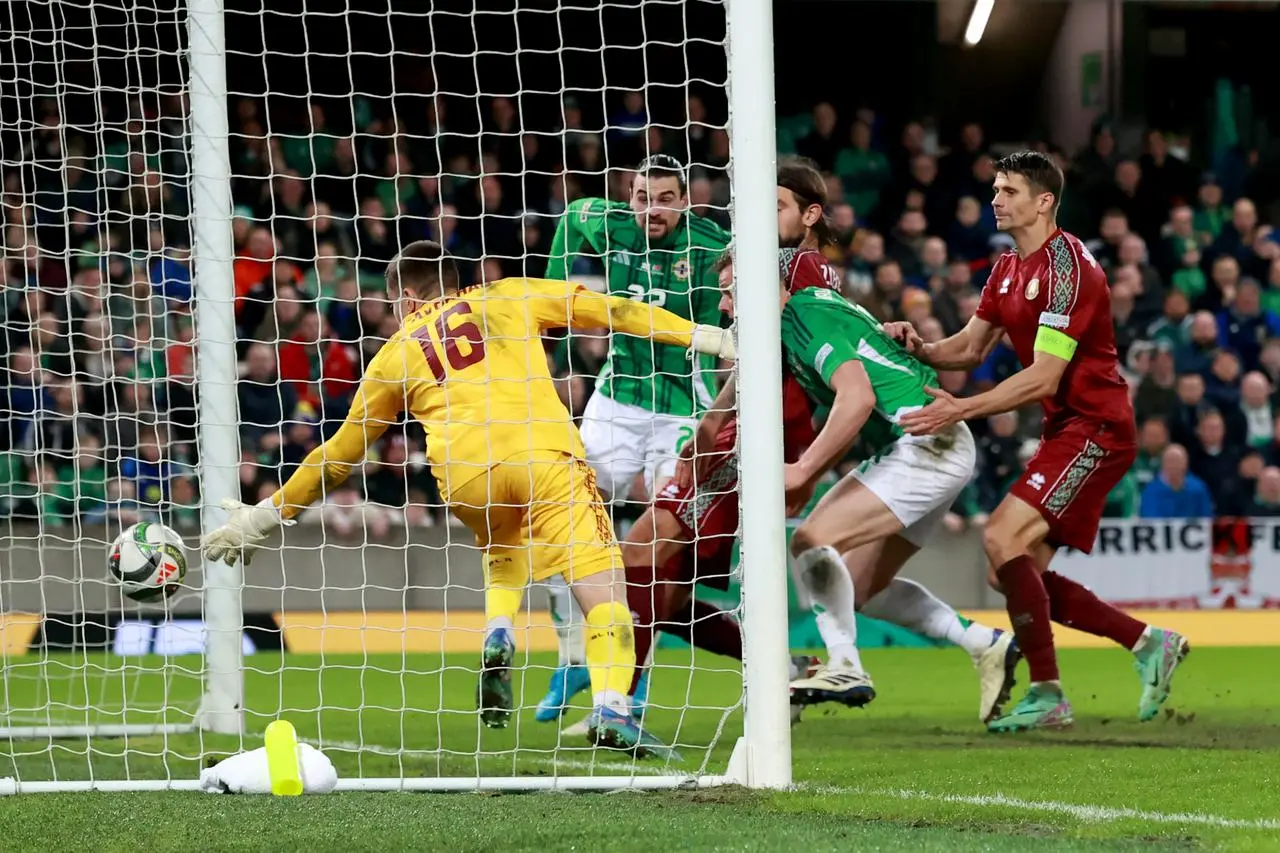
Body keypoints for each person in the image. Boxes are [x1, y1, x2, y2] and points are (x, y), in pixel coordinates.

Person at [201, 240, 735, 758]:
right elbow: (613, 311)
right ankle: (612, 706)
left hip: (464, 478)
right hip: (543, 455)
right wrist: (705, 337)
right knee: (606, 589)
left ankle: (499, 630)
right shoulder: (509, 294)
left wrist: (265, 516)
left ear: (406, 300)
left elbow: (338, 455)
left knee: (503, 543)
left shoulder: (394, 353)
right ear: (457, 284)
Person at [890, 151, 1189, 732]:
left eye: (1008, 190)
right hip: (1067, 428)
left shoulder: (1070, 267)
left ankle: (1049, 692)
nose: (996, 199)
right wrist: (919, 348)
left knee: (1001, 536)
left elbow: (1045, 376)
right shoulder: (1007, 267)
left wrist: (964, 408)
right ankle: (1148, 642)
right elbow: (970, 349)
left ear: (1043, 200)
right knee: (1011, 569)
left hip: (1097, 426)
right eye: (996, 189)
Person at [535, 155, 731, 729]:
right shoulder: (609, 221)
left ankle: (633, 683)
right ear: (630, 194)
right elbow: (572, 216)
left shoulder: (709, 242)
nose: (653, 209)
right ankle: (574, 655)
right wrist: (549, 299)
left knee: (660, 550)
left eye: (666, 197)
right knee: (556, 513)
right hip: (615, 403)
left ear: (684, 200)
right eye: (644, 196)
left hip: (681, 408)